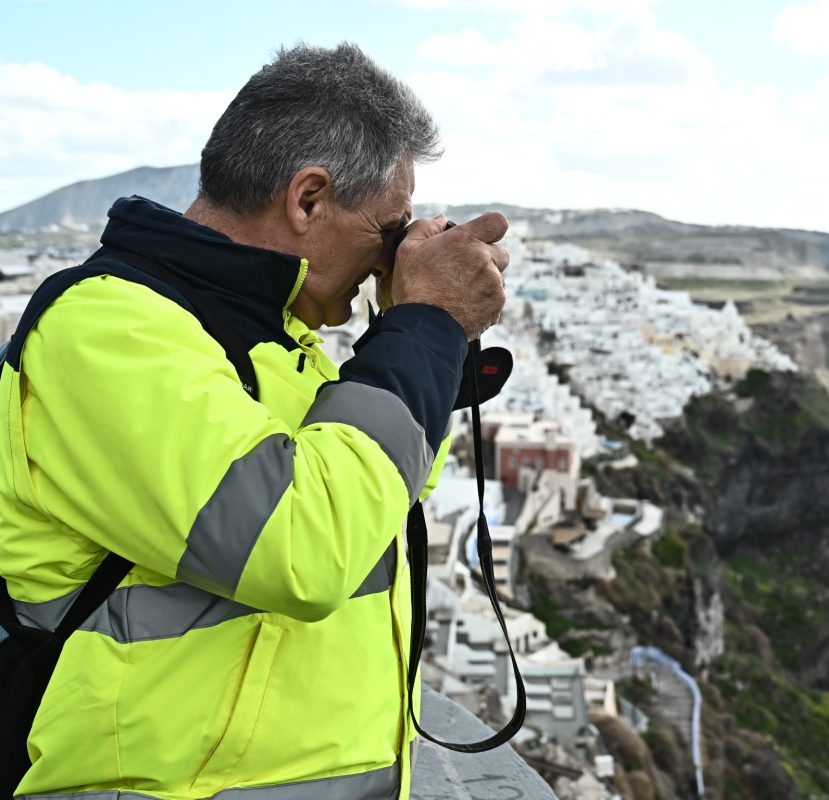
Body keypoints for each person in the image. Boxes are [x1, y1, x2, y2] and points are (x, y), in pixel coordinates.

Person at [0, 43, 507, 799]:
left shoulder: (272, 339)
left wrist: (416, 337)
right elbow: (304, 547)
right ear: (308, 199)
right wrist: (426, 324)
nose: (386, 262)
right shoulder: (107, 331)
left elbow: (378, 496)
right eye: (388, 231)